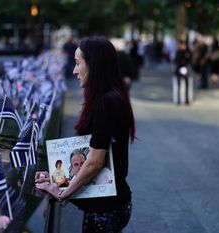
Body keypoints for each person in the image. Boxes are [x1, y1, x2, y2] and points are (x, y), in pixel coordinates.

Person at [35, 36, 136, 233]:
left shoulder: (106, 102)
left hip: (105, 209)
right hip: (113, 203)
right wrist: (56, 178)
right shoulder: (110, 97)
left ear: (94, 65)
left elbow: (95, 161)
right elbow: (86, 153)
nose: (74, 71)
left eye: (77, 63)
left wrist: (63, 193)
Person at [173, 39, 191, 105]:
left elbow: (189, 61)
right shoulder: (178, 52)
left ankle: (187, 99)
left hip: (186, 70)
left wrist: (186, 68)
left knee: (187, 86)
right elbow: (176, 61)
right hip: (179, 71)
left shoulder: (188, 52)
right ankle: (178, 99)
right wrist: (179, 68)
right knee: (178, 86)